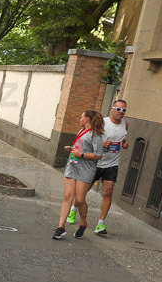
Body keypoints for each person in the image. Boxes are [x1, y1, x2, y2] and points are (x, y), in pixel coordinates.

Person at [53, 110, 103, 240]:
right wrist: (72, 149)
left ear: (87, 119)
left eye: (81, 117)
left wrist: (81, 155)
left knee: (79, 200)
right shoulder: (81, 131)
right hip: (73, 166)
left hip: (86, 169)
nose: (79, 119)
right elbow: (81, 146)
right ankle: (61, 228)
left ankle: (83, 223)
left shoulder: (95, 136)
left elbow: (98, 155)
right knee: (67, 196)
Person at [90, 99, 129, 236]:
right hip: (96, 161)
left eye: (124, 110)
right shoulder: (103, 122)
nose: (121, 112)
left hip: (112, 163)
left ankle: (101, 223)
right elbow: (91, 139)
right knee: (83, 190)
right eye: (118, 109)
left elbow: (122, 138)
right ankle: (73, 209)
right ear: (112, 109)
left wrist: (124, 144)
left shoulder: (125, 124)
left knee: (108, 190)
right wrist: (102, 144)